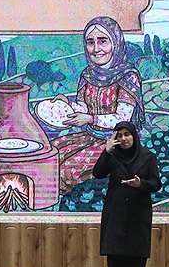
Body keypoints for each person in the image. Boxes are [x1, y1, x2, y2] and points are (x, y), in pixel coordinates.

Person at [35, 16, 145, 188]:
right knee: (49, 155)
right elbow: (84, 107)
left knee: (66, 170)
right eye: (90, 42)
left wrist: (90, 119)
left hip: (117, 144)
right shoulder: (88, 74)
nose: (96, 49)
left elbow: (122, 119)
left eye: (103, 41)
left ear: (116, 43)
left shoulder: (127, 76)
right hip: (90, 137)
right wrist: (67, 104)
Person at [92, 121, 162, 267]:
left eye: (127, 134)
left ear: (134, 136)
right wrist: (107, 151)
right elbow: (98, 173)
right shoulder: (112, 156)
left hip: (138, 219)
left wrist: (140, 184)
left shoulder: (147, 156)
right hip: (115, 219)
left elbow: (156, 183)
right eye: (119, 136)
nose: (124, 139)